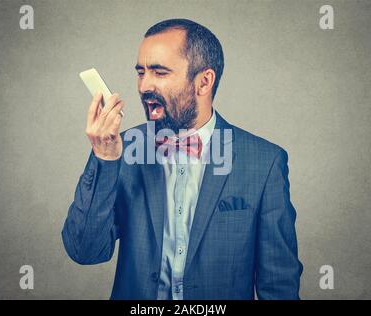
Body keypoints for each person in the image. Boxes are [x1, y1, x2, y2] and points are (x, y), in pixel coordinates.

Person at [62, 18, 303, 300]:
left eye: (160, 73)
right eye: (141, 73)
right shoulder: (121, 150)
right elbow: (85, 251)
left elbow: (279, 285)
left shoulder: (265, 162)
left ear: (203, 82)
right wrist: (104, 158)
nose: (144, 86)